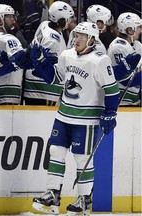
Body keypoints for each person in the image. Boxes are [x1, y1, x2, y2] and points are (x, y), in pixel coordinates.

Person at [30, 22, 120, 215]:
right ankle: (53, 193)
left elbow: (112, 90)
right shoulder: (66, 55)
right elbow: (56, 78)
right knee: (55, 150)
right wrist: (41, 64)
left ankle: (84, 199)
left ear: (92, 40)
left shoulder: (100, 60)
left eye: (81, 36)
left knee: (82, 158)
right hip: (64, 114)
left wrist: (110, 112)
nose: (76, 39)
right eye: (76, 35)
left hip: (86, 119)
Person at [23, 1, 74, 106]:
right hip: (43, 89)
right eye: (68, 19)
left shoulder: (45, 24)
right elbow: (40, 63)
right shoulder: (52, 40)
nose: (70, 21)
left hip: (33, 85)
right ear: (61, 21)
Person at [0, 4, 31, 105]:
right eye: (9, 17)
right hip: (8, 93)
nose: (13, 21)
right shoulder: (9, 39)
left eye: (13, 17)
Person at [107, 12, 141, 106]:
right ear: (130, 30)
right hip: (121, 101)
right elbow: (126, 79)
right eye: (138, 27)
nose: (140, 31)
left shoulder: (137, 44)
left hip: (134, 100)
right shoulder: (118, 47)